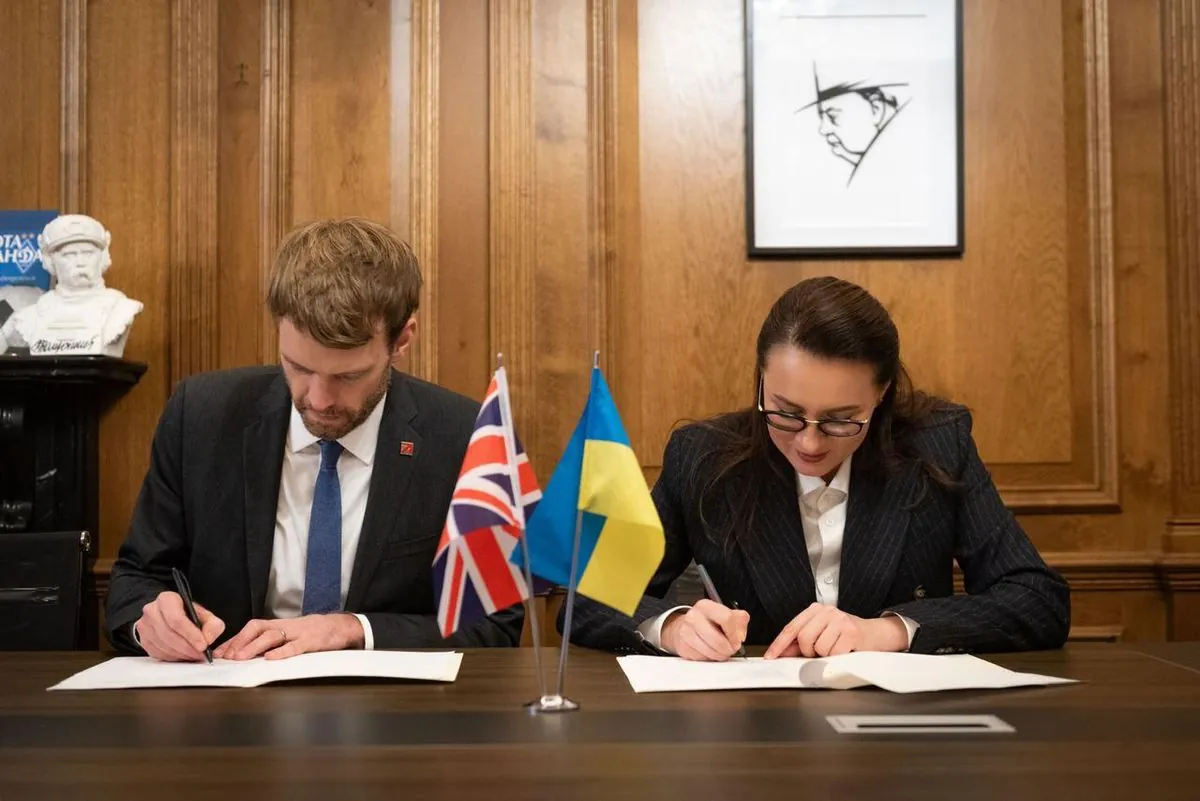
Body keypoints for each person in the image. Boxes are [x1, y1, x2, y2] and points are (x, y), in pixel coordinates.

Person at [564, 276, 1070, 660]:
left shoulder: (937, 446)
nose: (809, 442)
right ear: (761, 380)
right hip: (753, 732)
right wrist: (673, 626)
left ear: (882, 394)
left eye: (841, 420)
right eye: (785, 412)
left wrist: (888, 631)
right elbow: (586, 598)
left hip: (902, 737)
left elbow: (1038, 600)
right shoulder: (703, 457)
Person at [106, 217, 521, 661]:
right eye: (299, 368)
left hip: (390, 700)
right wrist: (150, 622)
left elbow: (495, 624)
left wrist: (354, 629)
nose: (319, 401)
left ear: (401, 341)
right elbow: (136, 578)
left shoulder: (465, 436)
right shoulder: (202, 416)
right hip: (227, 689)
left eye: (349, 376)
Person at [1, 214, 142, 356]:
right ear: (50, 261)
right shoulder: (29, 317)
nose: (80, 262)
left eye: (88, 253)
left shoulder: (121, 309)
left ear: (103, 257)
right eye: (69, 254)